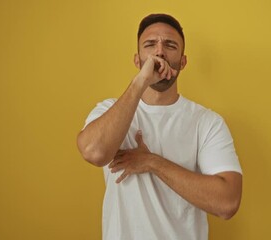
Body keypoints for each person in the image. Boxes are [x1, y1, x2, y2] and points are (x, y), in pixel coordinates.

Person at [77, 13, 243, 240]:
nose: (159, 52)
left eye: (170, 45)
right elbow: (94, 152)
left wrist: (151, 162)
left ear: (183, 62)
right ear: (137, 60)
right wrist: (141, 81)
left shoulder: (207, 122)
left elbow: (227, 203)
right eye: (150, 45)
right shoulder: (109, 110)